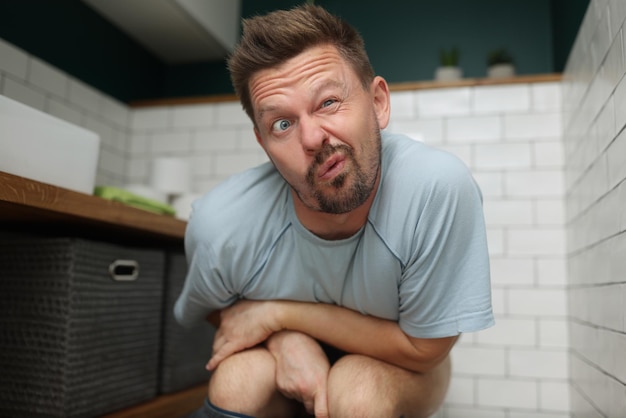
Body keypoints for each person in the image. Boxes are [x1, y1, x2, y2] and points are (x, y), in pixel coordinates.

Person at [175, 4, 494, 418]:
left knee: (357, 390)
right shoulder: (220, 224)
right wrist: (284, 341)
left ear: (378, 102)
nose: (311, 137)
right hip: (283, 365)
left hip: (403, 366)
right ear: (263, 144)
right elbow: (220, 313)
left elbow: (423, 350)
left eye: (327, 102)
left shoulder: (435, 189)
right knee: (237, 380)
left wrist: (279, 317)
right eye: (282, 125)